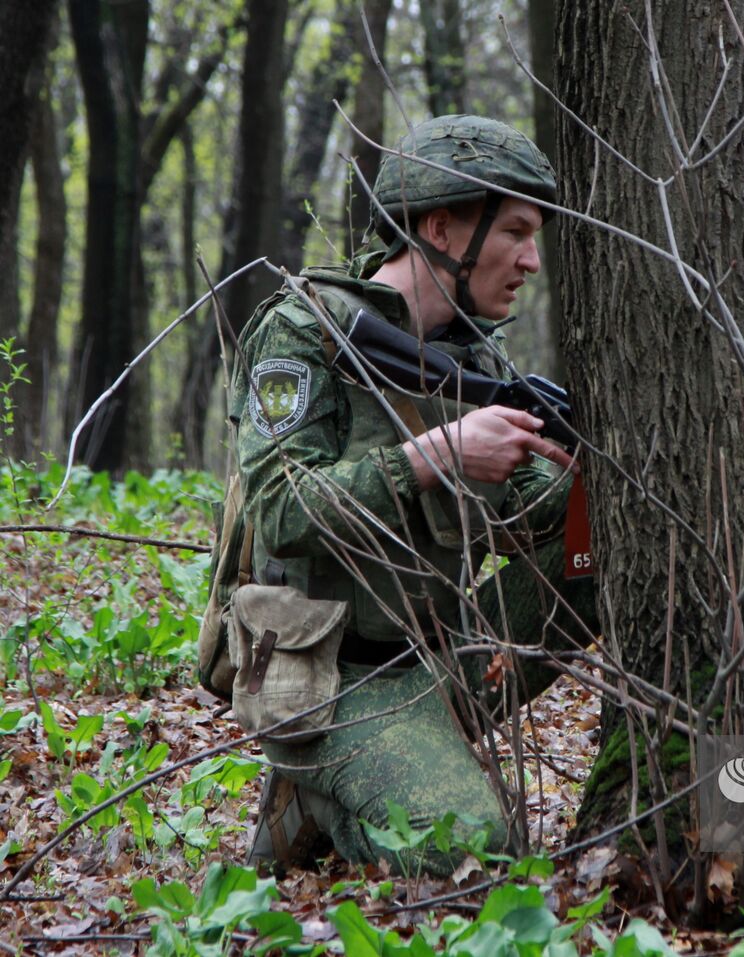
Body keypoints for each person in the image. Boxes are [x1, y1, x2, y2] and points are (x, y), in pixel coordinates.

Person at [230, 115, 595, 876]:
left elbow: (521, 525)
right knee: (470, 845)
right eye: (517, 233)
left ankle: (404, 754)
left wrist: (567, 481)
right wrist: (436, 454)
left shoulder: (473, 357)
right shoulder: (305, 332)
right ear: (441, 228)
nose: (532, 260)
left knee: (595, 552)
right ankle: (317, 794)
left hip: (439, 656)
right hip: (331, 674)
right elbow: (280, 507)